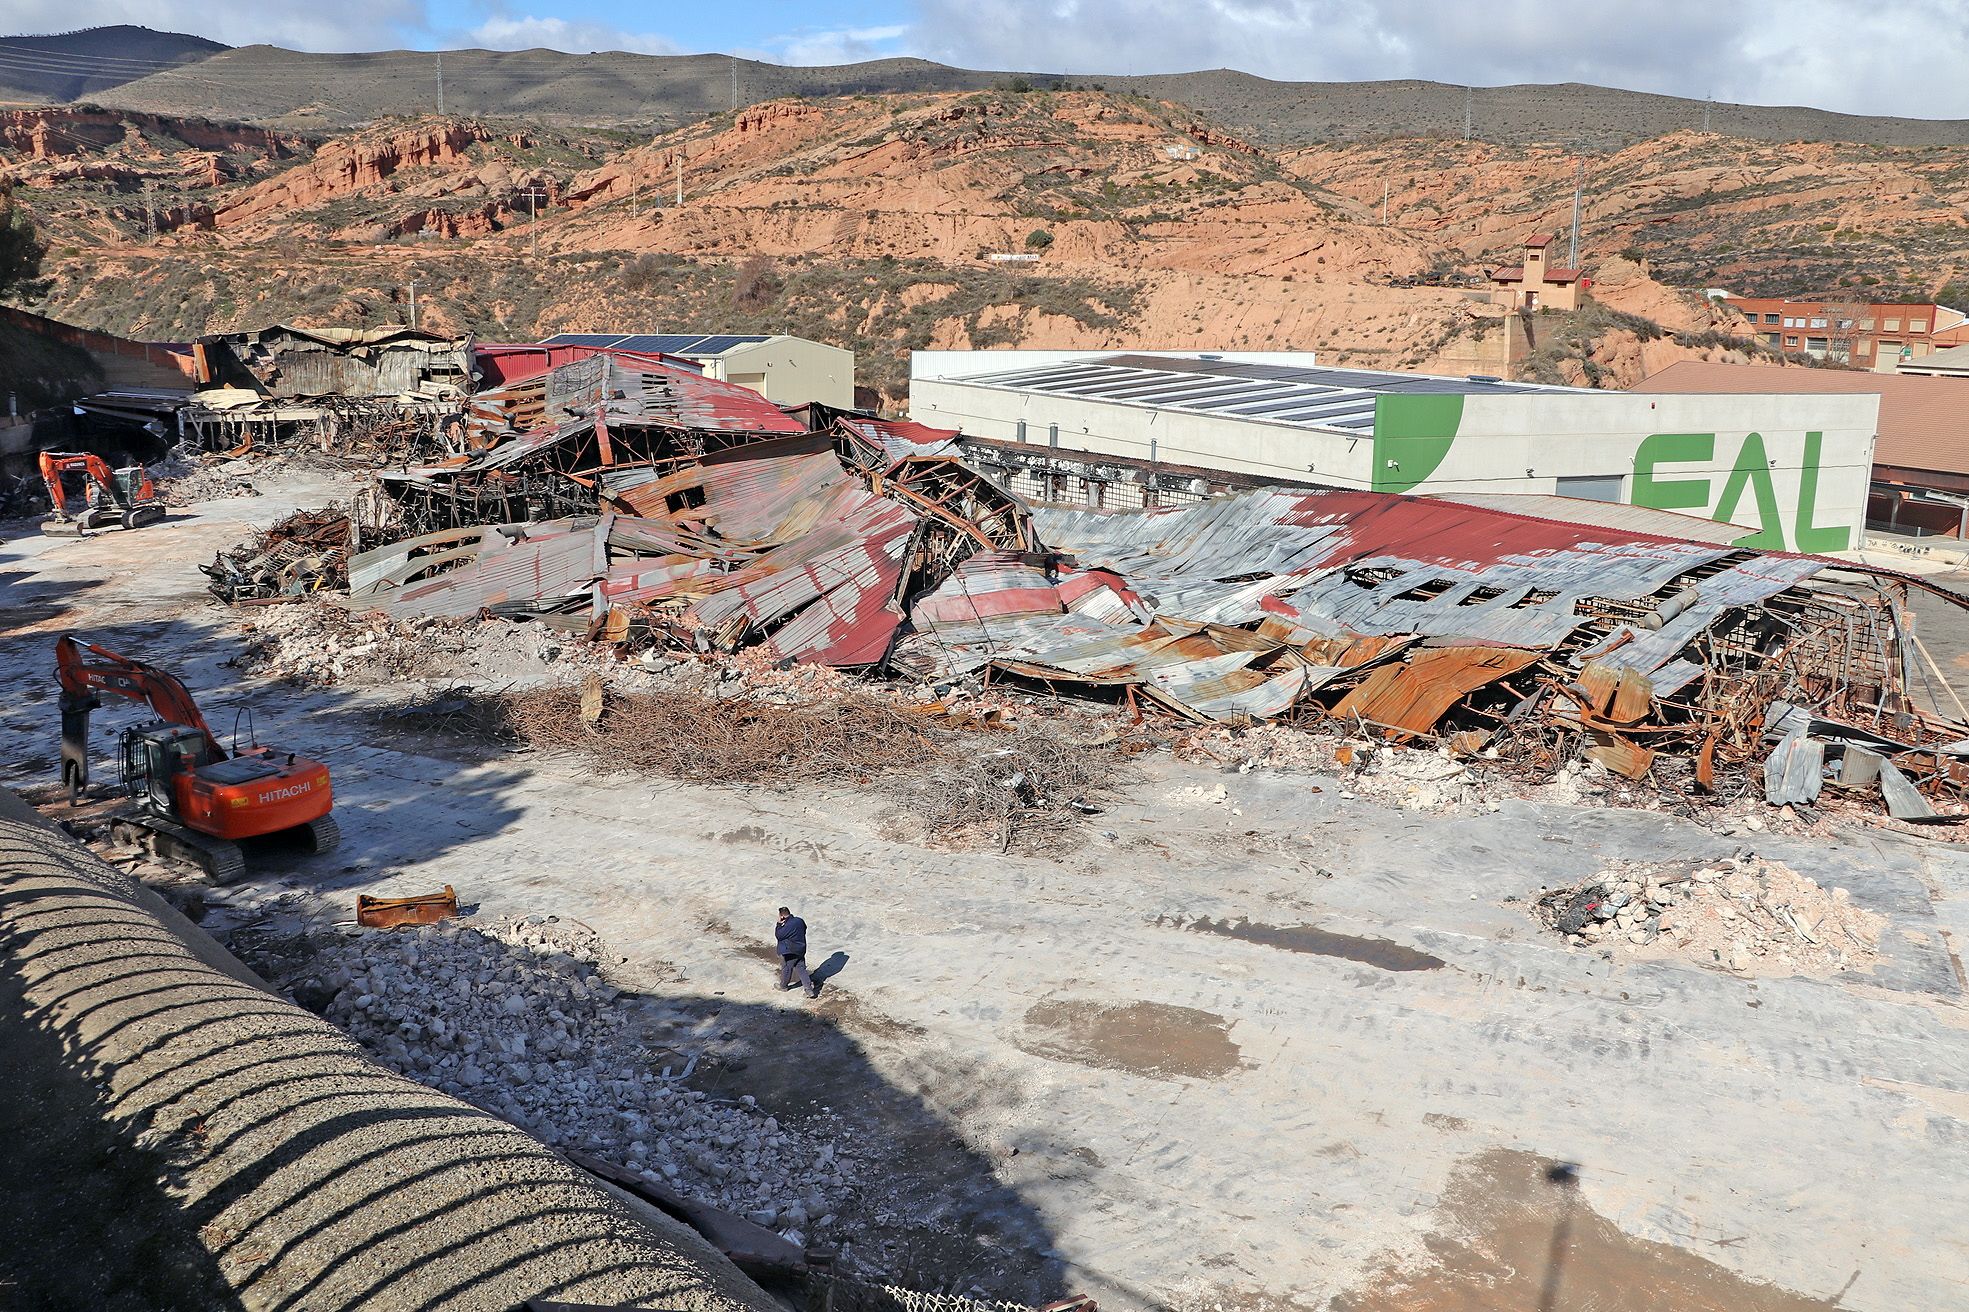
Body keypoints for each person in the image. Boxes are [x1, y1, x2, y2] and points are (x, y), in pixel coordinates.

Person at [776, 906, 817, 998]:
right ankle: (809, 989)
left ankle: (783, 986)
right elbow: (804, 929)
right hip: (801, 949)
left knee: (787, 968)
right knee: (801, 968)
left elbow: (779, 935)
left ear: (781, 916)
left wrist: (779, 924)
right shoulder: (799, 920)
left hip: (790, 951)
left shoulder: (786, 926)